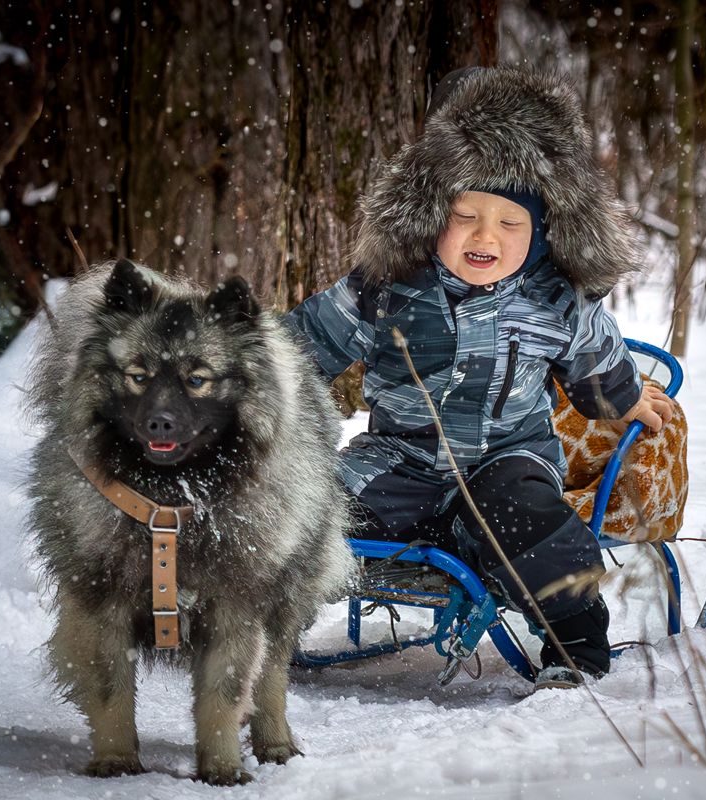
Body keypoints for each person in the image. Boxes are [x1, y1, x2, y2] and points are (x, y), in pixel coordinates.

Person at [285, 66, 673, 689]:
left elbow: (596, 360)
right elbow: (302, 347)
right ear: (430, 216)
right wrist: (247, 378)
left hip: (507, 456)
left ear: (542, 233)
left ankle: (576, 646)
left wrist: (622, 398)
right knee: (307, 513)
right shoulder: (386, 287)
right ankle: (267, 628)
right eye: (464, 215)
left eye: (509, 222)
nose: (484, 235)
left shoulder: (556, 300)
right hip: (400, 459)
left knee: (535, 521)